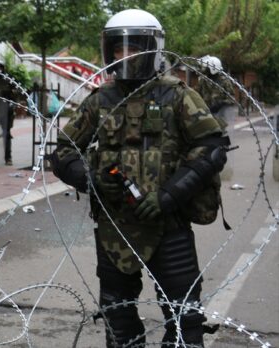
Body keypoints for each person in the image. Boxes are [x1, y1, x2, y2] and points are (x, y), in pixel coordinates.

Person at [50, 9, 229, 347]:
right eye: (119, 49)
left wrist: (169, 195)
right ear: (109, 51)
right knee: (118, 320)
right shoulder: (100, 100)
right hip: (115, 229)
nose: (125, 56)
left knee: (185, 320)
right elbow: (62, 151)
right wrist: (90, 179)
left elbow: (212, 147)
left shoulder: (177, 96)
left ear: (154, 49)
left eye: (135, 48)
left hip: (169, 225)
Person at [196, 55, 235, 123]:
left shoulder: (225, 81)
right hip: (206, 114)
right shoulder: (203, 80)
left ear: (212, 68)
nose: (204, 69)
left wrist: (220, 104)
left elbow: (231, 98)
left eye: (207, 68)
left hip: (221, 115)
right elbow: (197, 94)